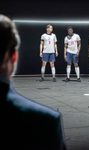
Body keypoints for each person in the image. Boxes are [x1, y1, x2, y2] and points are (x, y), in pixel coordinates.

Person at [0, 14, 66, 150]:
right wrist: (41, 51)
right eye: (48, 28)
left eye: (51, 28)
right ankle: (42, 76)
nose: (49, 30)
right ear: (14, 56)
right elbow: (41, 44)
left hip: (52, 51)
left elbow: (55, 44)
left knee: (52, 65)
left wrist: (57, 51)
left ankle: (52, 77)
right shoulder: (46, 121)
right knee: (44, 64)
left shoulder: (53, 36)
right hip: (45, 52)